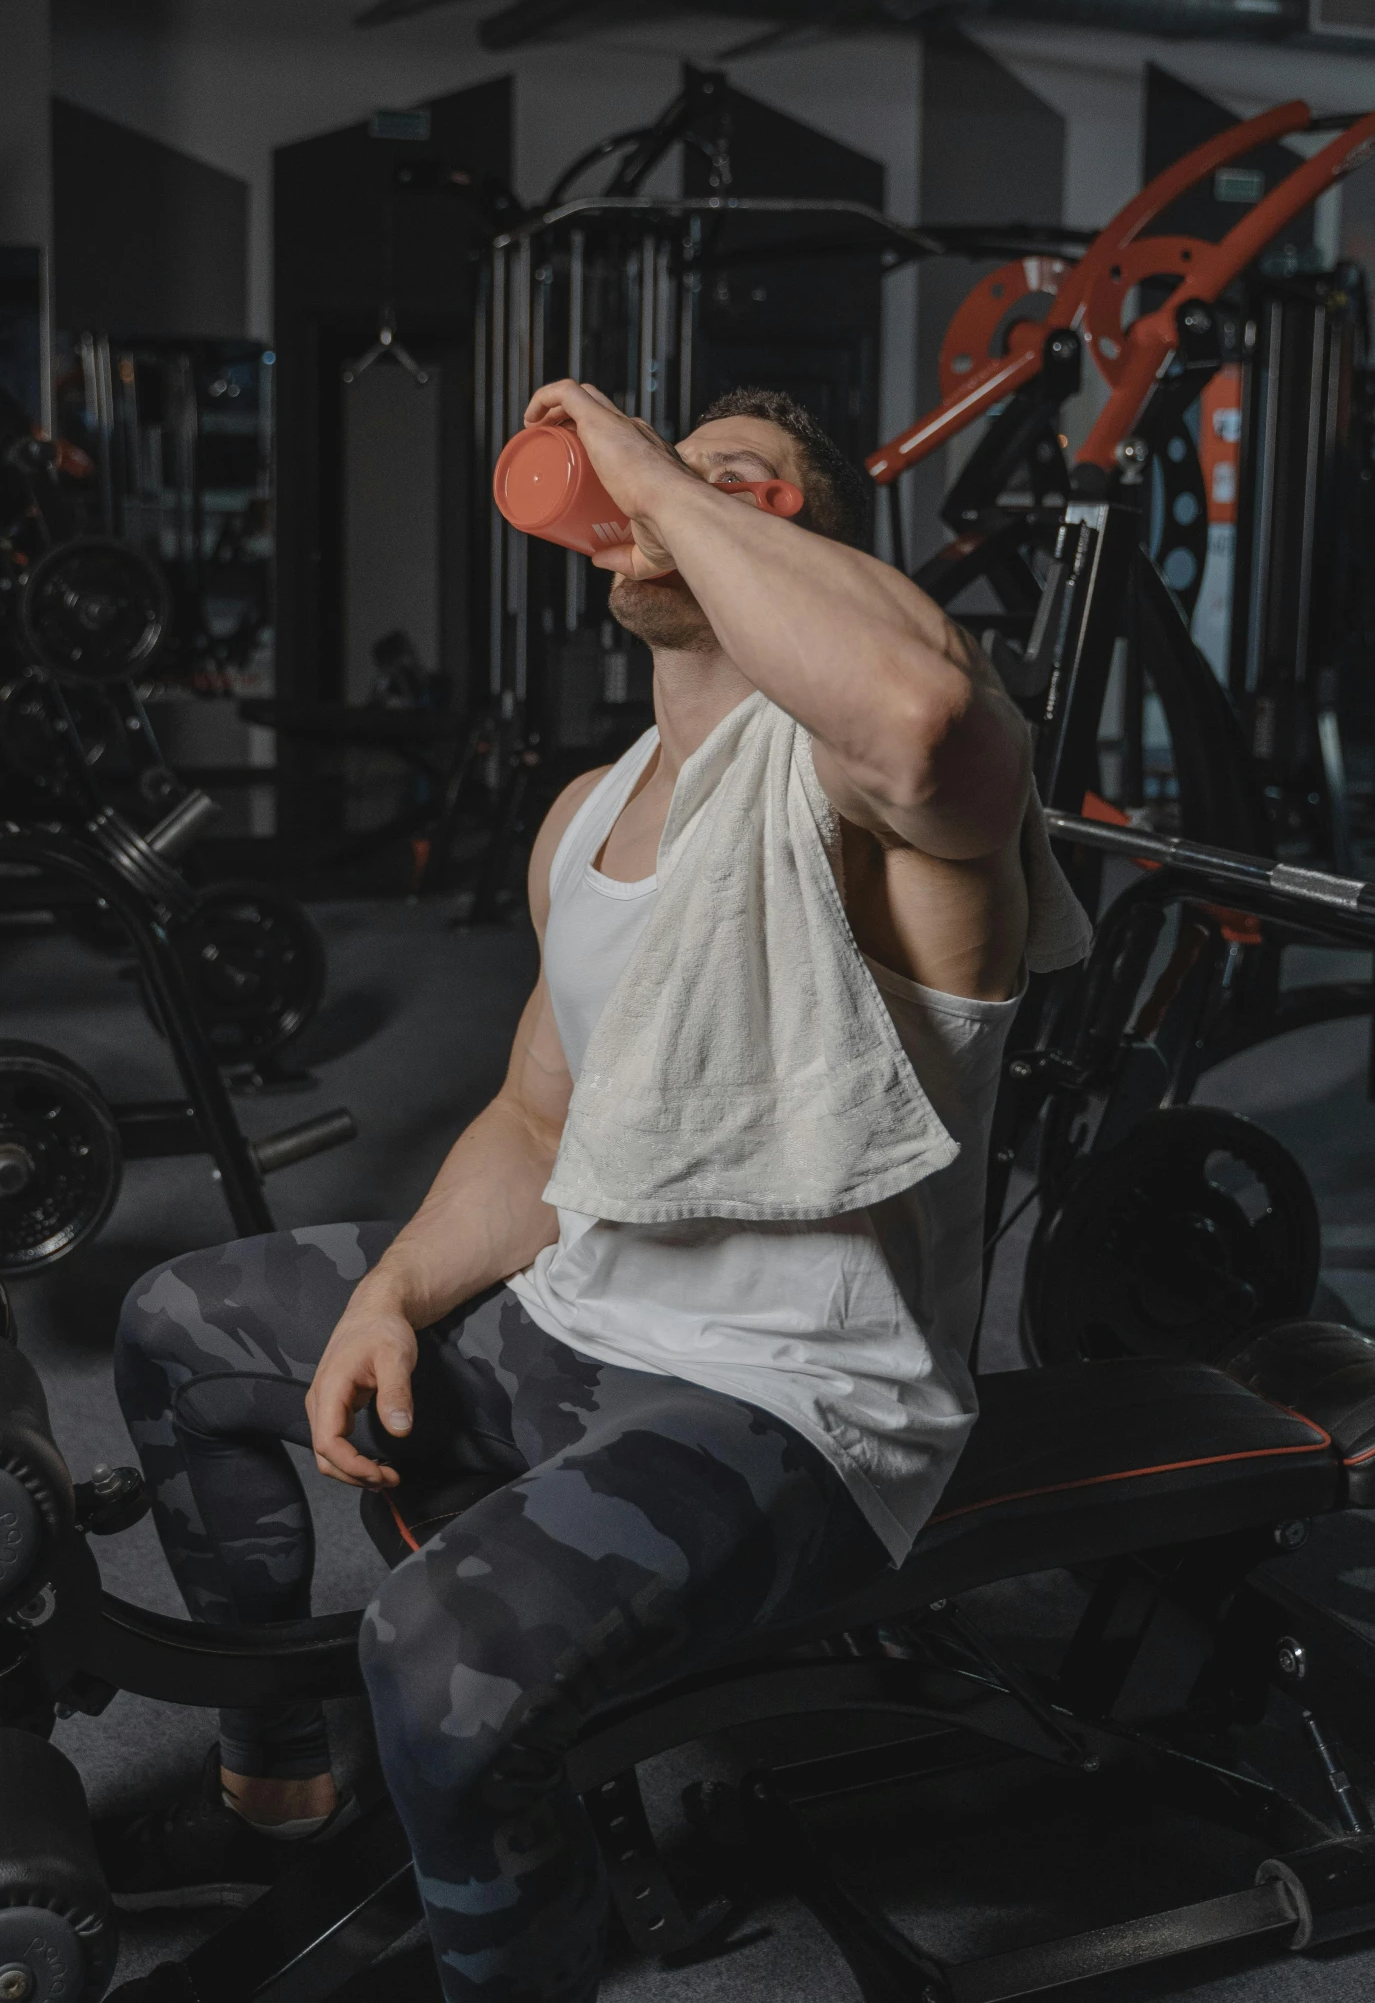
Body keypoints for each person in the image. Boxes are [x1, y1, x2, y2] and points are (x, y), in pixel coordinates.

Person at [100, 382, 1083, 2001]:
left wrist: (642, 460)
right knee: (177, 1323)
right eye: (654, 474)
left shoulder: (888, 796)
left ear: (809, 550)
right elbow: (532, 1116)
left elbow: (908, 705)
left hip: (790, 1403)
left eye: (731, 482)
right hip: (576, 1322)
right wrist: (400, 1287)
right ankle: (276, 1783)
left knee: (435, 1651)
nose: (653, 499)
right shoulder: (587, 812)